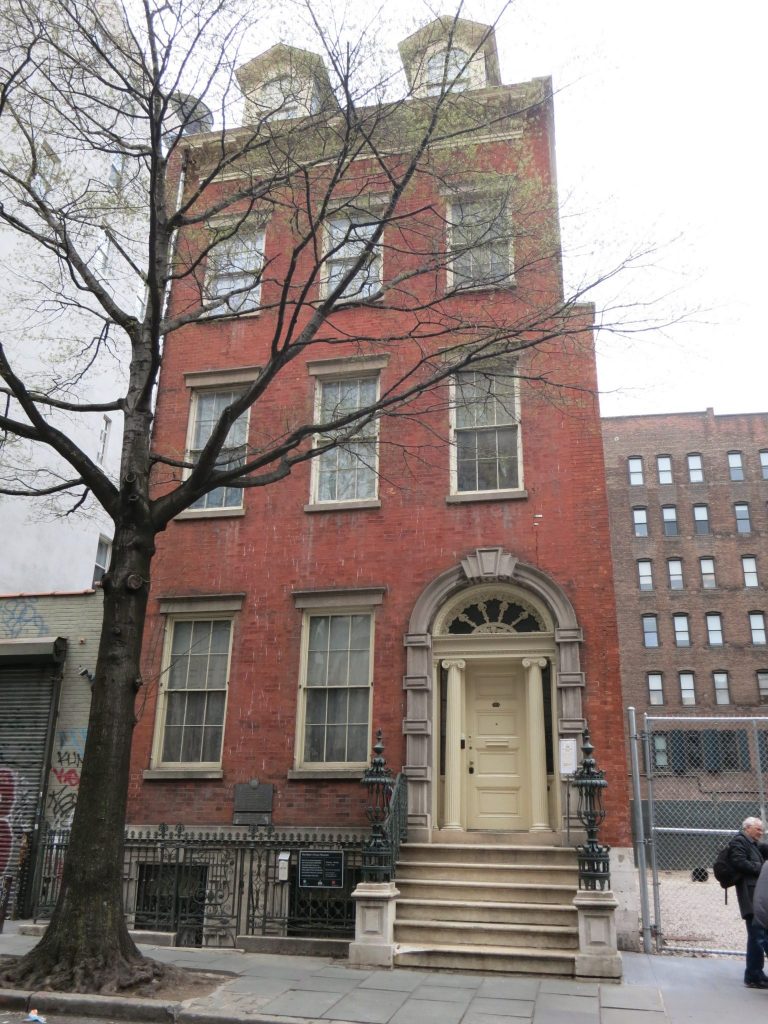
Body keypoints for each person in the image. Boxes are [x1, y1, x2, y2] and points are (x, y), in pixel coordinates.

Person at [730, 816, 768, 988]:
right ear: (748, 828)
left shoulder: (752, 844)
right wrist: (762, 868)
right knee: (756, 935)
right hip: (749, 892)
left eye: (762, 829)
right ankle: (753, 975)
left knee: (757, 935)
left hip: (755, 892)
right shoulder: (740, 841)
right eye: (758, 829)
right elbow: (738, 862)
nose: (761, 832)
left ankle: (755, 973)